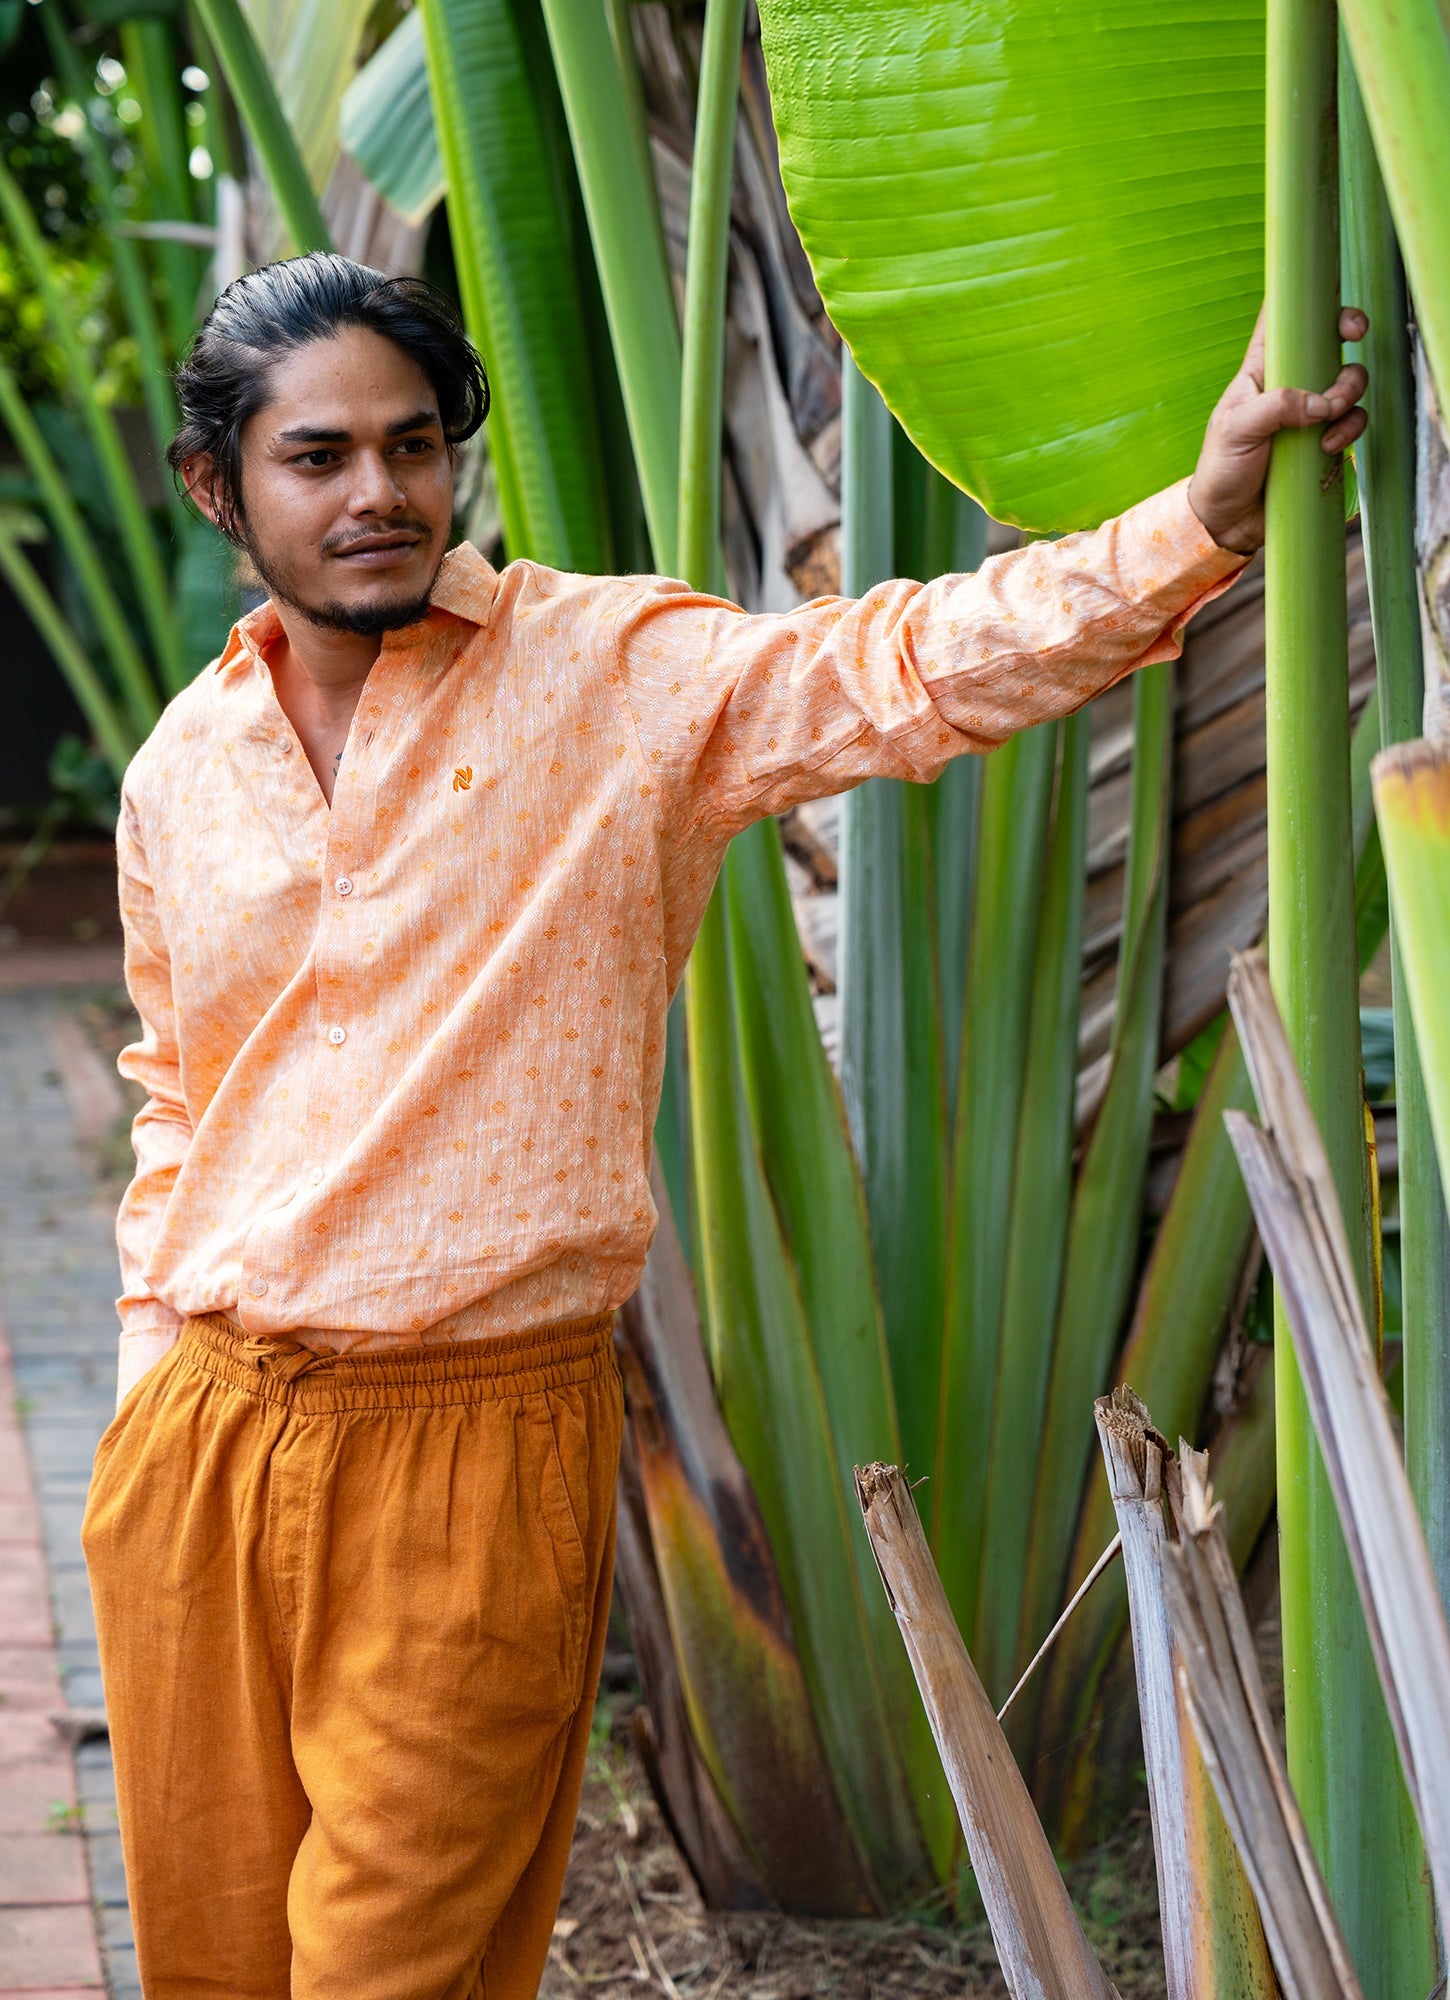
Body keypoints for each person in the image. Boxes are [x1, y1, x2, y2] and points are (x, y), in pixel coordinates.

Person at [81, 251, 1368, 1998]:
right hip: (204, 1453)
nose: (378, 492)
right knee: (212, 1970)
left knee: (386, 1972)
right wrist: (153, 1355)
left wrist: (1195, 521)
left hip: (470, 1444)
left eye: (410, 444)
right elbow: (182, 1087)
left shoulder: (607, 674)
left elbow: (910, 665)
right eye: (318, 457)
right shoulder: (181, 764)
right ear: (217, 485)